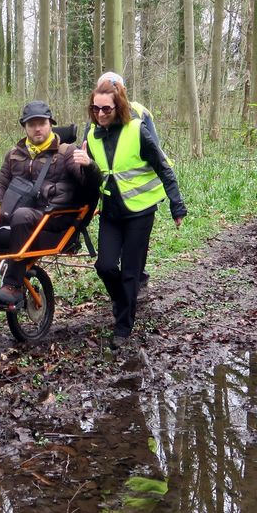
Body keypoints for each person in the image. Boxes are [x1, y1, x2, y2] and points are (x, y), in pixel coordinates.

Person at [0, 101, 101, 305]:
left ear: (51, 124)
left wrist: (89, 165)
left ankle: (13, 286)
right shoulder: (15, 154)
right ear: (25, 127)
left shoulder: (66, 153)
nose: (37, 128)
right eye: (32, 124)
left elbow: (90, 184)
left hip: (51, 221)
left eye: (41, 123)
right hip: (15, 217)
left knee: (22, 214)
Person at [85, 79, 187, 349]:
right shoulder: (92, 135)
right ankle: (124, 301)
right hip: (110, 211)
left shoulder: (136, 130)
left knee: (131, 273)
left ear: (118, 107)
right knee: (104, 266)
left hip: (140, 212)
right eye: (96, 109)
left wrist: (177, 204)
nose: (101, 114)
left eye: (106, 109)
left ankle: (122, 327)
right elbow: (93, 173)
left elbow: (163, 167)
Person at [96, 71, 161, 294]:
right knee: (112, 253)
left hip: (140, 193)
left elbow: (155, 150)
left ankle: (138, 279)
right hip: (112, 196)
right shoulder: (99, 114)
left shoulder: (140, 112)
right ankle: (127, 288)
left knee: (135, 247)